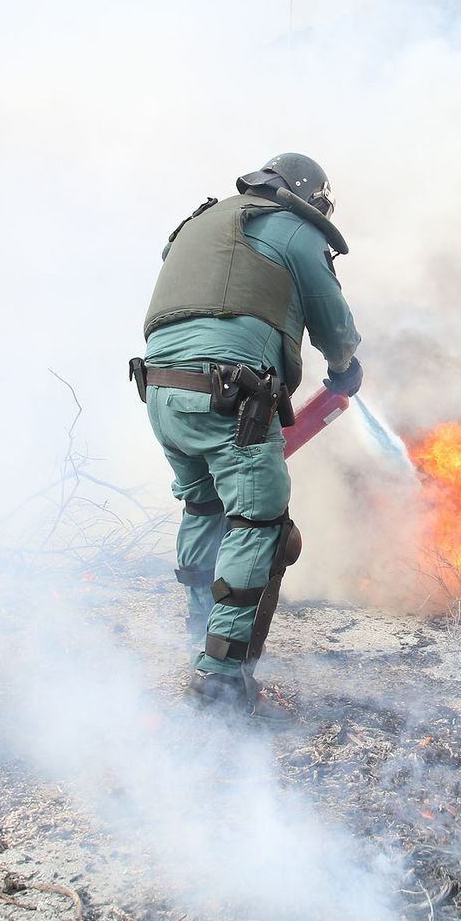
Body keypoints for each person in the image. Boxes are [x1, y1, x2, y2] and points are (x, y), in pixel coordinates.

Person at [135, 153, 363, 718]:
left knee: (203, 509)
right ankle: (219, 683)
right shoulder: (294, 227)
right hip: (229, 395)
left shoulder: (200, 223)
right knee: (259, 525)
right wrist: (344, 369)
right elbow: (332, 320)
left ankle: (201, 640)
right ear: (308, 194)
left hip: (161, 392)